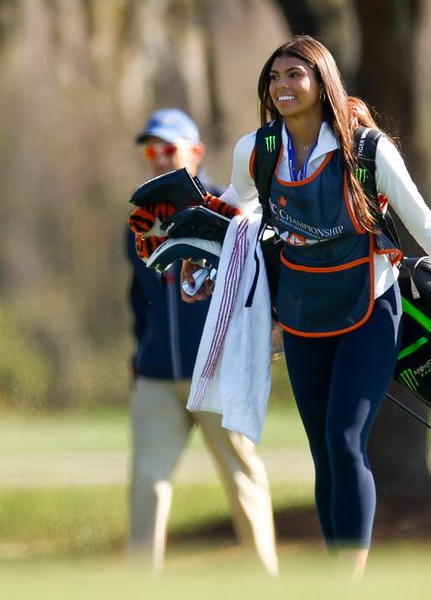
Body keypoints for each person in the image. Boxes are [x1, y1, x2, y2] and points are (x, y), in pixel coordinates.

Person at [182, 36, 431, 578]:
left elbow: (426, 226)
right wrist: (195, 254)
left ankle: (350, 580)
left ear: (322, 82)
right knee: (323, 450)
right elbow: (236, 208)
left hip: (370, 308)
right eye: (275, 77)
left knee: (345, 439)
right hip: (301, 313)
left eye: (296, 74)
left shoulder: (368, 150)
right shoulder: (257, 151)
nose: (283, 86)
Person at [126, 108, 279, 574]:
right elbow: (138, 297)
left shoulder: (228, 209)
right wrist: (138, 353)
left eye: (168, 149)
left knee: (242, 477)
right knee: (148, 482)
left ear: (195, 153)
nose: (158, 159)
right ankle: (138, 585)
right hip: (157, 375)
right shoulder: (139, 219)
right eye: (152, 150)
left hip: (215, 371)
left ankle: (266, 580)